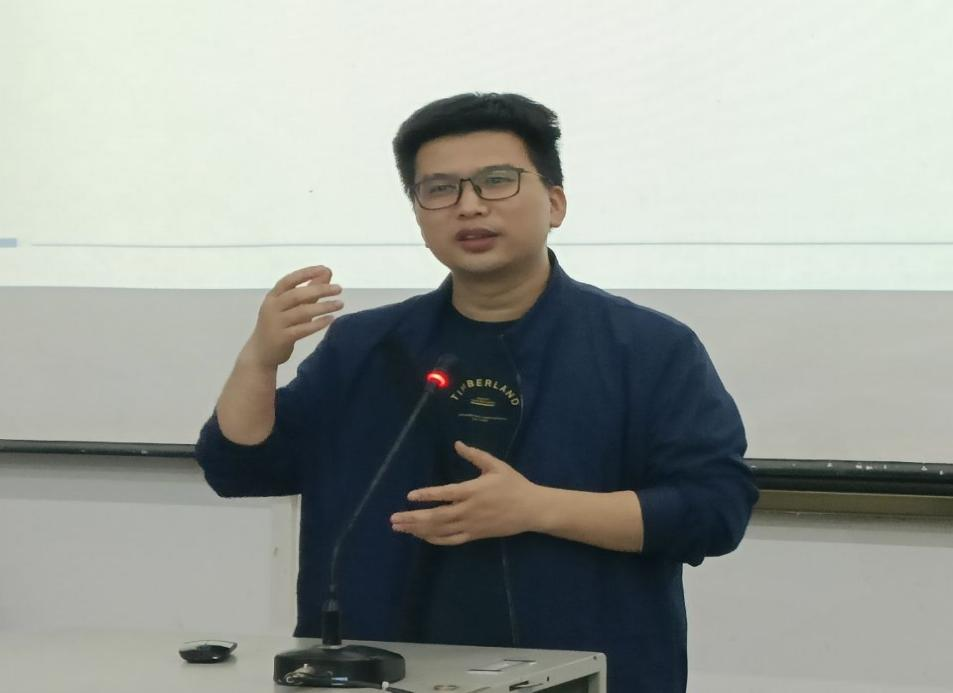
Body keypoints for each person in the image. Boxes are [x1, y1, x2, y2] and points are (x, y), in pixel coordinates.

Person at [195, 92, 759, 692]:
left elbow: (714, 509)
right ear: (419, 215)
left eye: (496, 181)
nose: (468, 206)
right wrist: (259, 360)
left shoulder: (647, 347)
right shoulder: (367, 346)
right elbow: (241, 466)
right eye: (439, 189)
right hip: (381, 670)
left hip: (586, 673)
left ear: (556, 203)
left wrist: (538, 508)